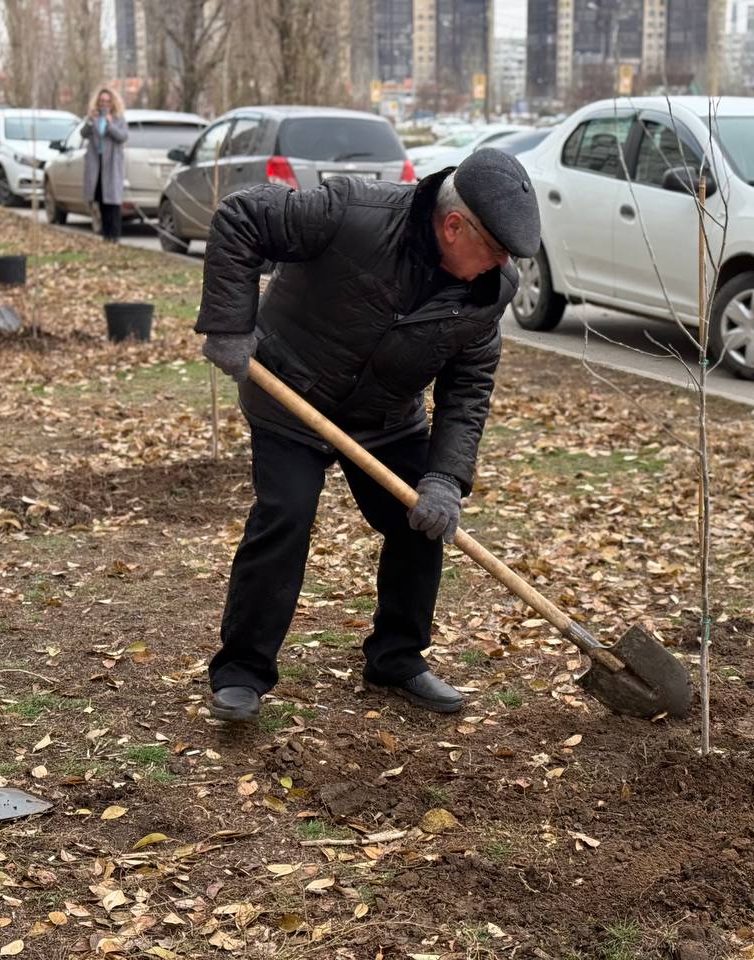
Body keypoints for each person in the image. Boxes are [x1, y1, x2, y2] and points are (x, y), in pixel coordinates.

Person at [197, 148, 540, 721]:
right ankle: (242, 673)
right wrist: (230, 325)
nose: (503, 265)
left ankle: (397, 658)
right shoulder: (353, 212)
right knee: (286, 515)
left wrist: (444, 477)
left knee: (423, 518)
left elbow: (469, 383)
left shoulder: (489, 289)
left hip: (384, 415)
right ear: (454, 226)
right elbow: (241, 217)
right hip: (292, 397)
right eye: (497, 250)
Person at [80, 87, 128, 243]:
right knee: (100, 199)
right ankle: (105, 236)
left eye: (107, 101)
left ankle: (114, 236)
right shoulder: (94, 118)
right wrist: (89, 120)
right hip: (97, 164)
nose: (104, 104)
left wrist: (109, 124)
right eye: (101, 101)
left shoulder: (118, 119)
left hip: (112, 165)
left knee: (113, 203)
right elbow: (83, 133)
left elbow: (122, 137)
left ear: (113, 103)